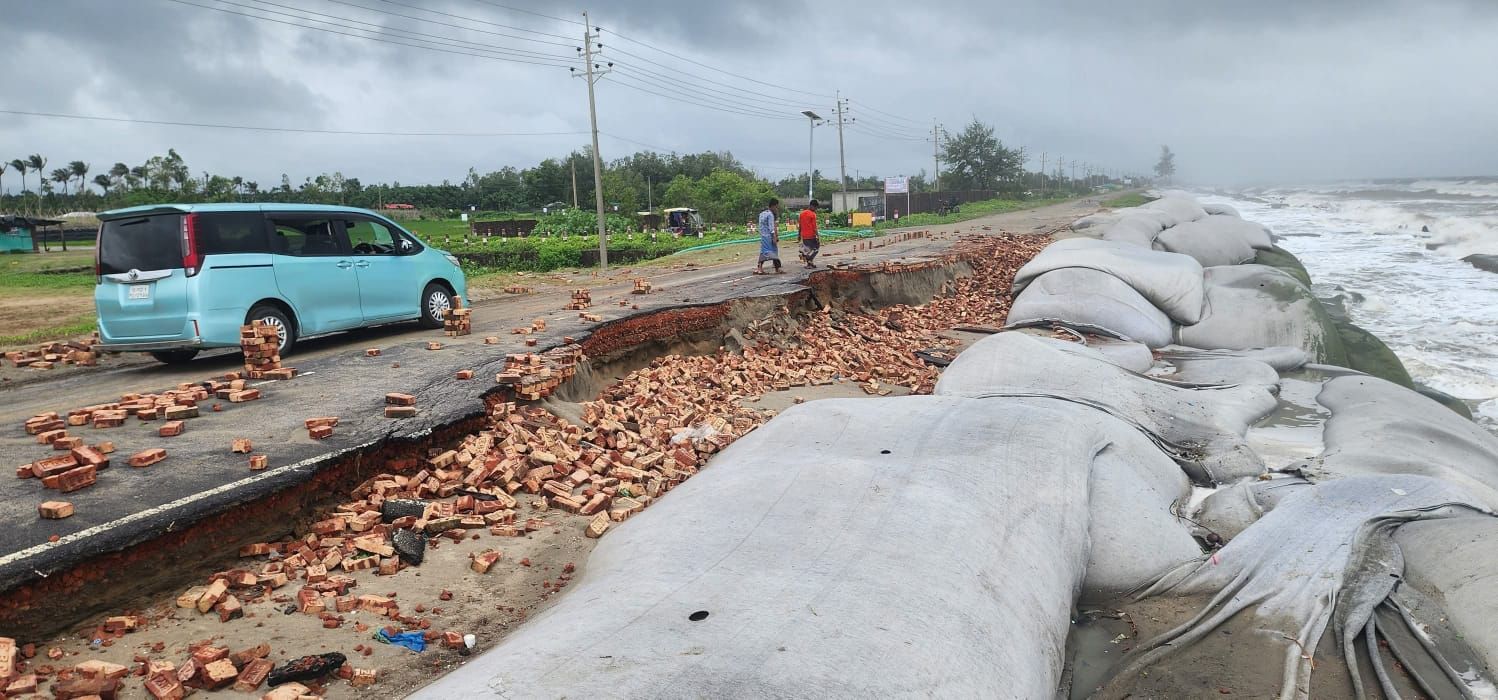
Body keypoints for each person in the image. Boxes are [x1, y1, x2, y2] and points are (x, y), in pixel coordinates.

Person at [756, 198, 783, 274]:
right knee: (771, 252)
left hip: (763, 236)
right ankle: (762, 268)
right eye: (776, 207)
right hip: (769, 236)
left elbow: (761, 226)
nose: (777, 209)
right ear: (773, 206)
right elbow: (771, 228)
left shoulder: (762, 214)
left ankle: (762, 267)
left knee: (765, 251)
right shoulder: (770, 215)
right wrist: (774, 237)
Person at [798, 199, 821, 268]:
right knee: (816, 249)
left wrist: (799, 235)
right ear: (812, 206)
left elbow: (800, 225)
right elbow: (814, 227)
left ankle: (809, 263)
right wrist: (818, 235)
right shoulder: (812, 214)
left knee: (808, 250)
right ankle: (808, 260)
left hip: (804, 236)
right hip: (811, 235)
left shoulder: (801, 214)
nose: (816, 209)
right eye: (815, 208)